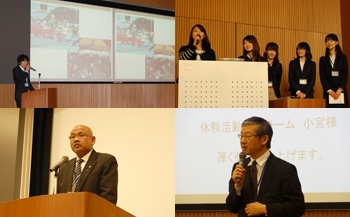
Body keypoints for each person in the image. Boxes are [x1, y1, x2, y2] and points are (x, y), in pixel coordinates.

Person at [226, 116, 305, 217]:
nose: (242, 141)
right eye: (241, 136)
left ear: (264, 139)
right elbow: (232, 207)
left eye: (248, 136)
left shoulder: (285, 169)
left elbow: (297, 207)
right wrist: (238, 187)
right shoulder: (239, 167)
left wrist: (266, 209)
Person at [57, 125, 118, 204]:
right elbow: (59, 199)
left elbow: (108, 198)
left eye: (81, 135)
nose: (76, 139)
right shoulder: (64, 167)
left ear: (92, 140)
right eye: (72, 137)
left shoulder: (105, 161)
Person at [319, 33, 349, 108]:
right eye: (327, 41)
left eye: (332, 41)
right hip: (329, 91)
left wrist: (340, 89)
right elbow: (322, 76)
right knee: (330, 116)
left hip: (340, 91)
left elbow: (345, 74)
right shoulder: (323, 59)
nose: (329, 43)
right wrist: (329, 90)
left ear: (336, 42)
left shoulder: (342, 58)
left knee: (342, 115)